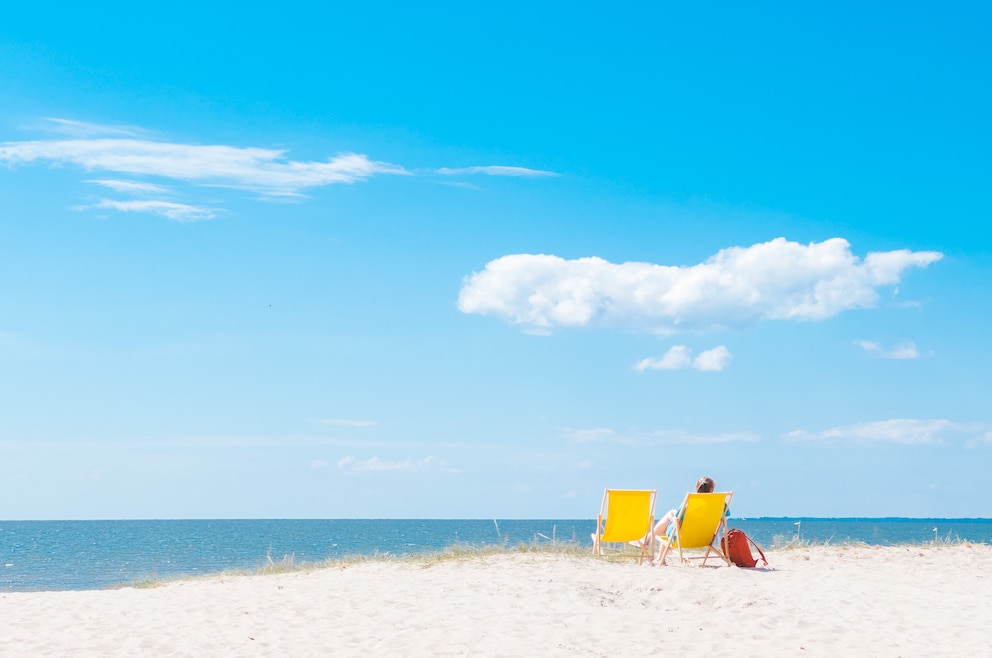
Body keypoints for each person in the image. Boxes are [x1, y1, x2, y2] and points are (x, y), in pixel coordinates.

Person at [633, 476, 717, 548]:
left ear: (697, 488)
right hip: (705, 538)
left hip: (684, 539)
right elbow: (724, 516)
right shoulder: (720, 503)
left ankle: (647, 539)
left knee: (669, 522)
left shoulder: (690, 503)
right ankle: (657, 555)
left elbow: (678, 517)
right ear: (712, 489)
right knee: (672, 515)